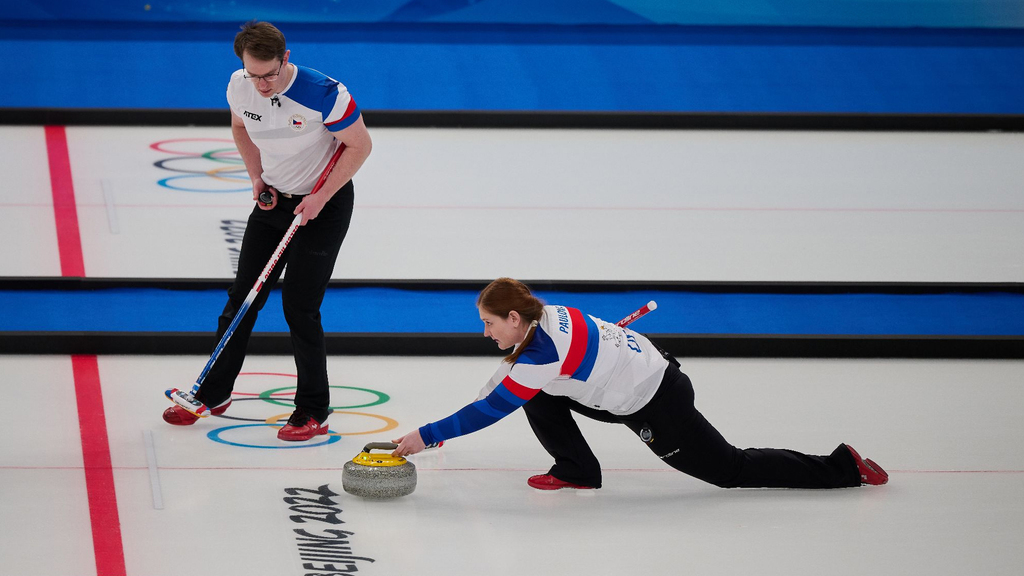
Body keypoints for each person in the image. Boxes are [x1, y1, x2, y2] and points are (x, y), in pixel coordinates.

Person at [392, 278, 889, 490]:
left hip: (656, 401)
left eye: (490, 324)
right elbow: (502, 383)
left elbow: (490, 409)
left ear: (516, 317)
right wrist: (439, 431)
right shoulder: (551, 317)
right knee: (534, 392)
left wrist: (426, 435)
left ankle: (842, 467)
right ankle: (578, 469)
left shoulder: (541, 355)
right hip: (636, 376)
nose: (486, 333)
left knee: (728, 468)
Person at [162, 20, 372, 441]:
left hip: (322, 207)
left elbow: (360, 145)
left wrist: (321, 197)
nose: (261, 84)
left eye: (269, 74)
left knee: (300, 307)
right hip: (274, 200)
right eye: (253, 74)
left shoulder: (324, 94)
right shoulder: (240, 86)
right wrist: (256, 178)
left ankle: (313, 410)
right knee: (243, 297)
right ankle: (213, 392)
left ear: (286, 58)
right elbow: (241, 128)